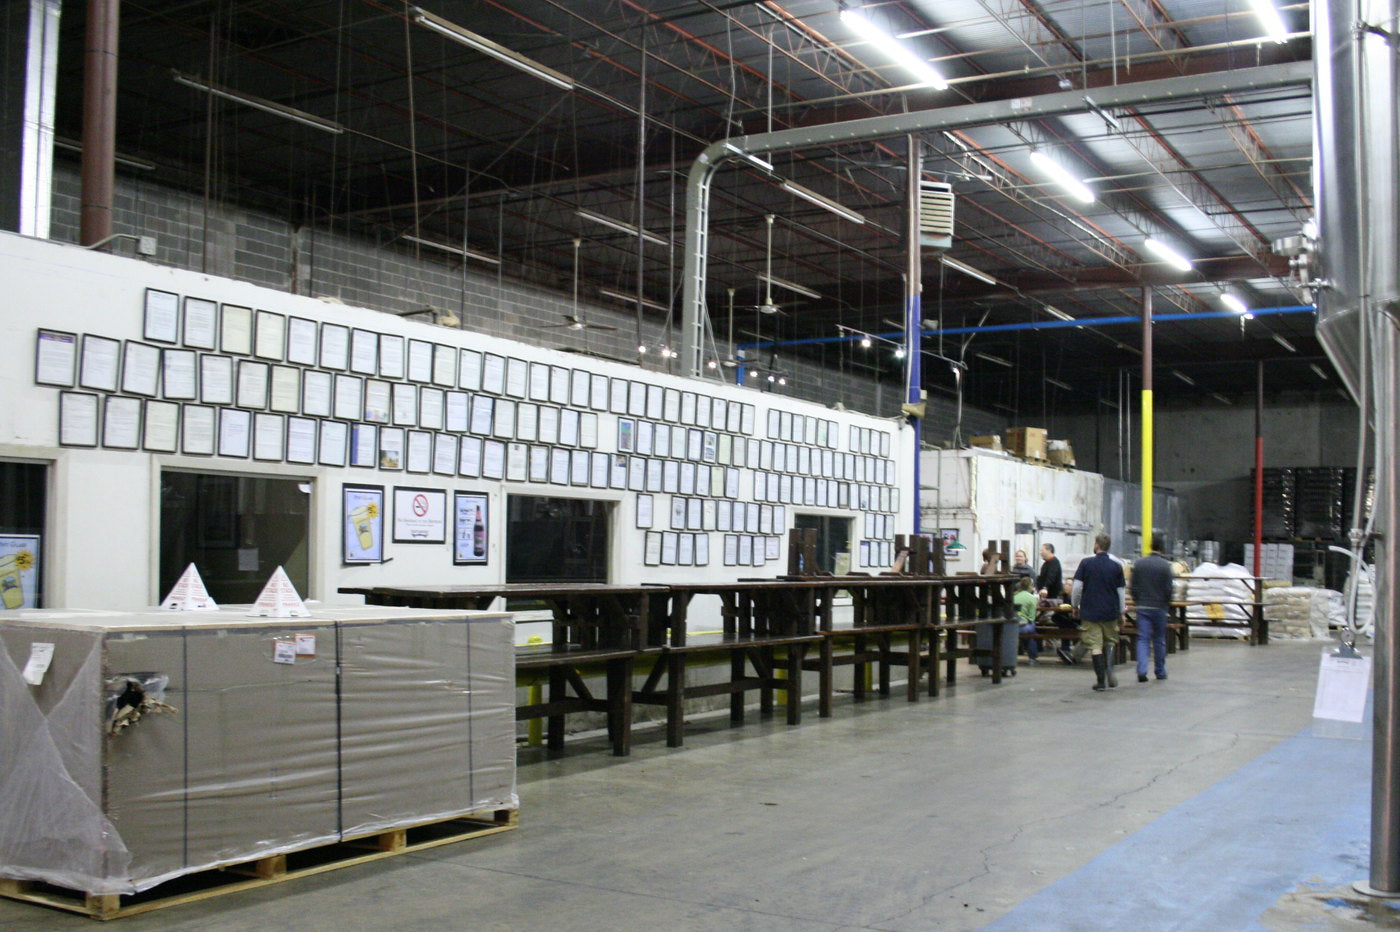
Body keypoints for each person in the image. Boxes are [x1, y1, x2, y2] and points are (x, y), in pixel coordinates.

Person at [1072, 533, 1127, 692]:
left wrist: (1075, 605)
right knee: (1109, 641)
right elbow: (1120, 592)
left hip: (1091, 611)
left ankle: (1100, 680)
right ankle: (1109, 668)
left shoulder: (1086, 563)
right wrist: (1121, 611)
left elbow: (1076, 588)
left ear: (1097, 545)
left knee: (1095, 645)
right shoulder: (1116, 566)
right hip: (1110, 610)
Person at [1131, 534, 1174, 683]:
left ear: (1150, 546)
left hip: (1142, 606)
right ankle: (1160, 671)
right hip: (1159, 607)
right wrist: (1166, 604)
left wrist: (1137, 600)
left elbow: (1133, 586)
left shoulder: (1139, 563)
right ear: (1162, 548)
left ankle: (1142, 670)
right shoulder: (1166, 566)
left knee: (1143, 639)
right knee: (1159, 639)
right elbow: (1169, 589)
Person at [1013, 576, 1040, 664]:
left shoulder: (1014, 595)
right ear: (1030, 587)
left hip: (1012, 625)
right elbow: (1032, 617)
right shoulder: (1032, 598)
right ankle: (1033, 657)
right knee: (1032, 633)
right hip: (1023, 626)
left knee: (1030, 634)